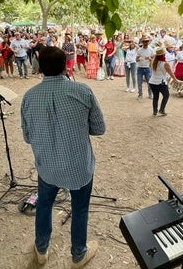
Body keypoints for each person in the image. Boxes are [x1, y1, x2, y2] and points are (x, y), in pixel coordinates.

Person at [21, 47, 106, 268]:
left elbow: (28, 137)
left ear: (39, 68)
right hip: (79, 167)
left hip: (47, 167)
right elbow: (99, 128)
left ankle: (41, 249)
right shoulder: (82, 91)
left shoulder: (29, 97)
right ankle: (78, 255)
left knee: (44, 205)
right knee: (80, 209)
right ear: (65, 65)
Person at [149, 48, 180, 116]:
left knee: (155, 97)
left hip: (152, 82)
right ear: (163, 55)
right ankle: (161, 109)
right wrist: (176, 80)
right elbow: (171, 73)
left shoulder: (153, 61)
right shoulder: (165, 63)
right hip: (161, 82)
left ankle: (155, 111)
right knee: (166, 95)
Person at [136, 35, 155, 100]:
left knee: (149, 82)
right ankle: (140, 94)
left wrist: (150, 58)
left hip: (147, 68)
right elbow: (136, 59)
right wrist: (139, 59)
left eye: (147, 41)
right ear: (142, 42)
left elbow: (153, 58)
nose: (145, 43)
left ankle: (150, 94)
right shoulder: (139, 50)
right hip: (140, 67)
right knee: (139, 82)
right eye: (144, 41)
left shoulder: (151, 50)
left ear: (148, 42)